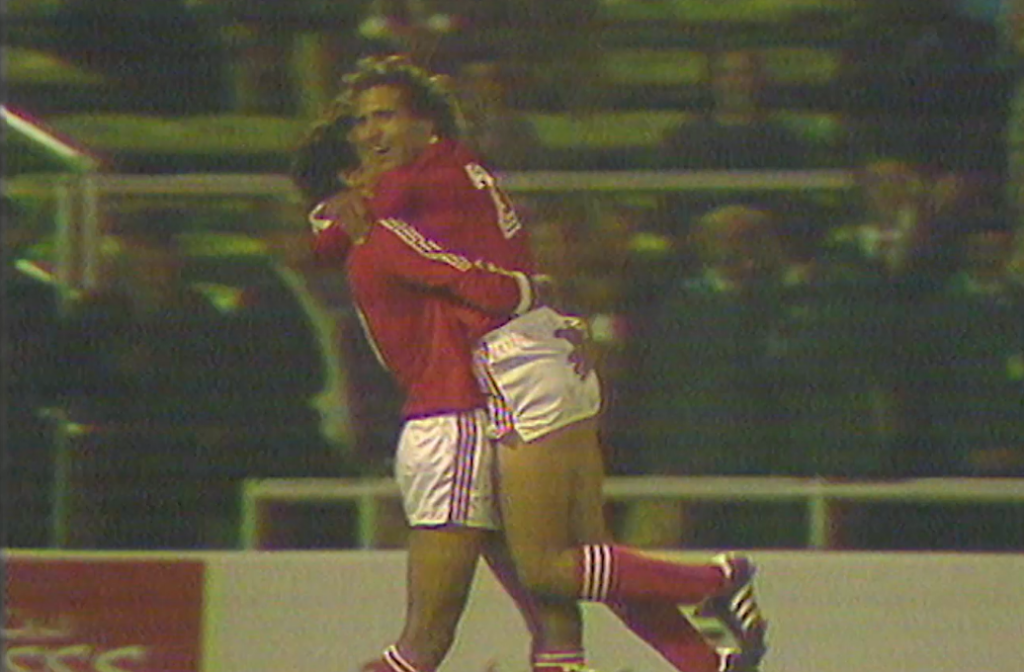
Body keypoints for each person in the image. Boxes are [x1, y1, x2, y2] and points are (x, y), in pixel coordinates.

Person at [297, 54, 767, 672]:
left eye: (383, 117)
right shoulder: (455, 171)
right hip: (540, 354)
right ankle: (703, 662)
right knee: (567, 572)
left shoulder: (415, 183)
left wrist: (329, 204)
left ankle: (716, 578)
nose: (371, 133)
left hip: (515, 363)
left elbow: (338, 233)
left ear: (426, 124)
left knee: (547, 568)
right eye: (361, 122)